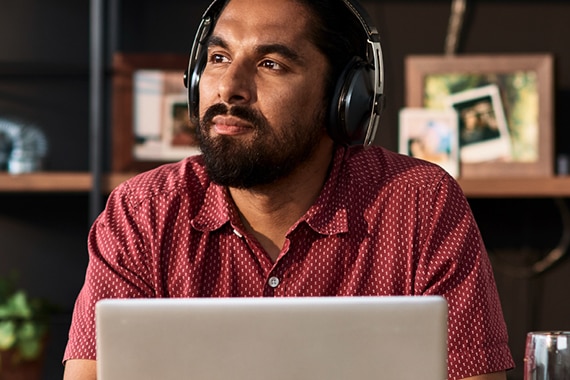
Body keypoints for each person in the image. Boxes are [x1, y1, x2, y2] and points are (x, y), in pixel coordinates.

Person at [62, 0, 515, 379]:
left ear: (344, 98)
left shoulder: (419, 204)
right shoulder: (144, 210)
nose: (230, 87)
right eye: (218, 58)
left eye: (270, 64)